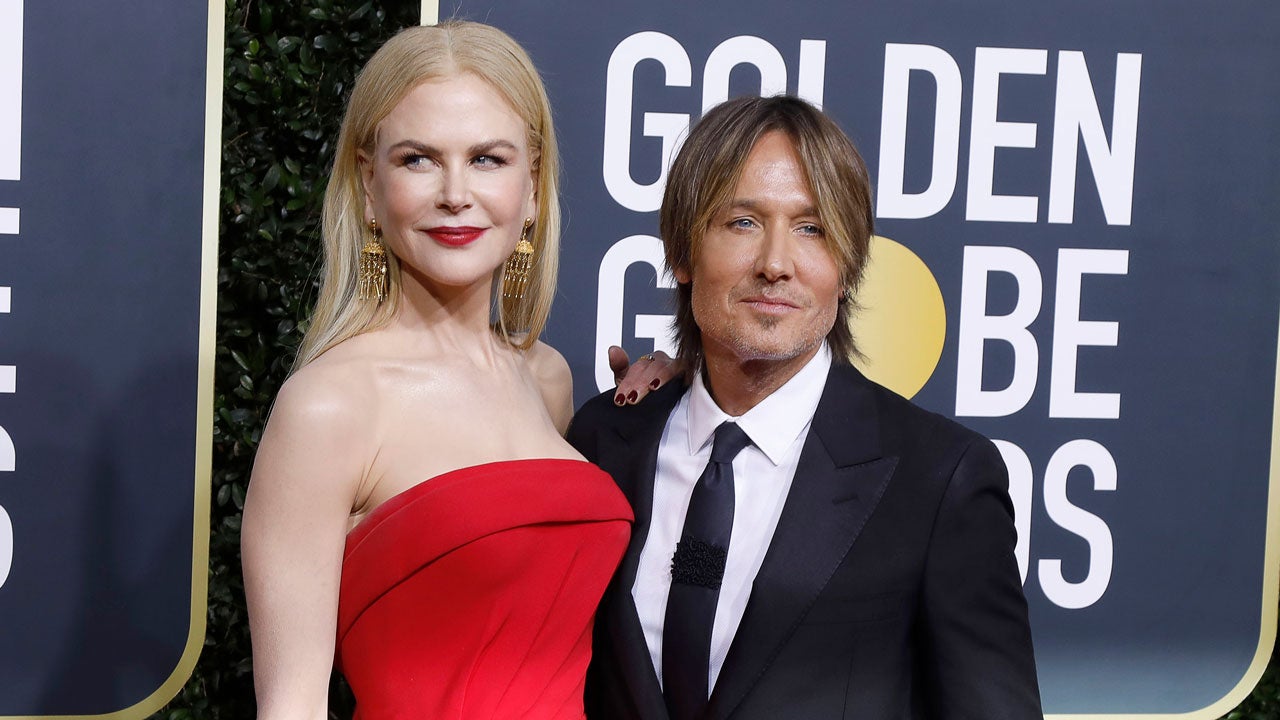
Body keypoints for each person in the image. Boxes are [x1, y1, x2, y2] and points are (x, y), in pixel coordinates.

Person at [568, 95, 1042, 719]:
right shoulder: (603, 441)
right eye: (742, 222)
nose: (774, 264)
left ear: (846, 267)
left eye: (812, 229)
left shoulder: (939, 482)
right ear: (681, 252)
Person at [242, 22, 663, 719]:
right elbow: (291, 704)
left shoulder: (548, 380)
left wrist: (682, 406)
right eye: (418, 160)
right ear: (368, 190)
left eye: (488, 159)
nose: (456, 194)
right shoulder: (329, 407)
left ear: (532, 189)